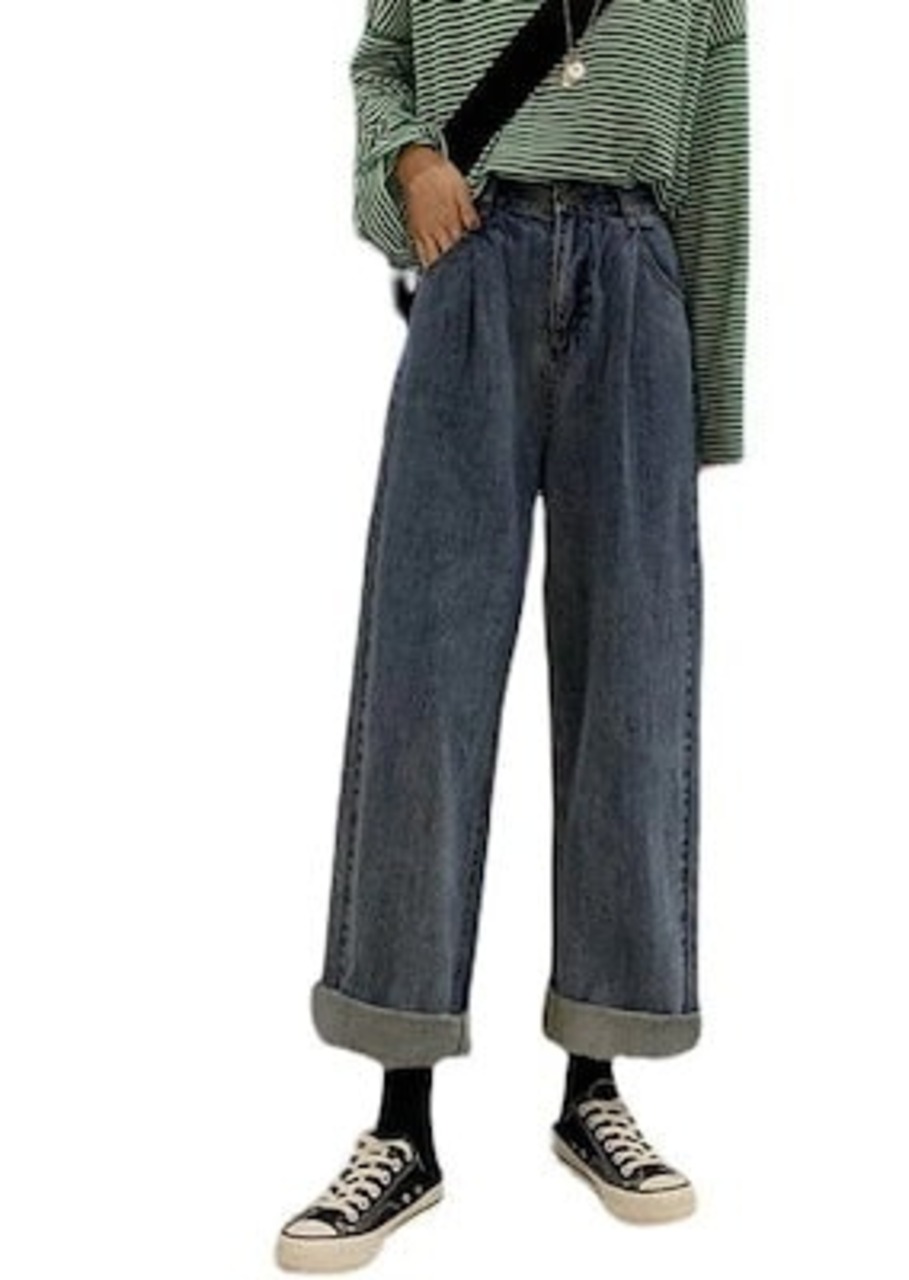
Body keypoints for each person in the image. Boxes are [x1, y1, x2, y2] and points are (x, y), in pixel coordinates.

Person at [275, 0, 749, 1270]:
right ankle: (401, 1119)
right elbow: (382, 63)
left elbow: (717, 156)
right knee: (422, 682)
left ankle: (596, 1081)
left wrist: (704, 404)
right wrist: (406, 164)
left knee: (632, 686)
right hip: (474, 260)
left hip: (637, 279)